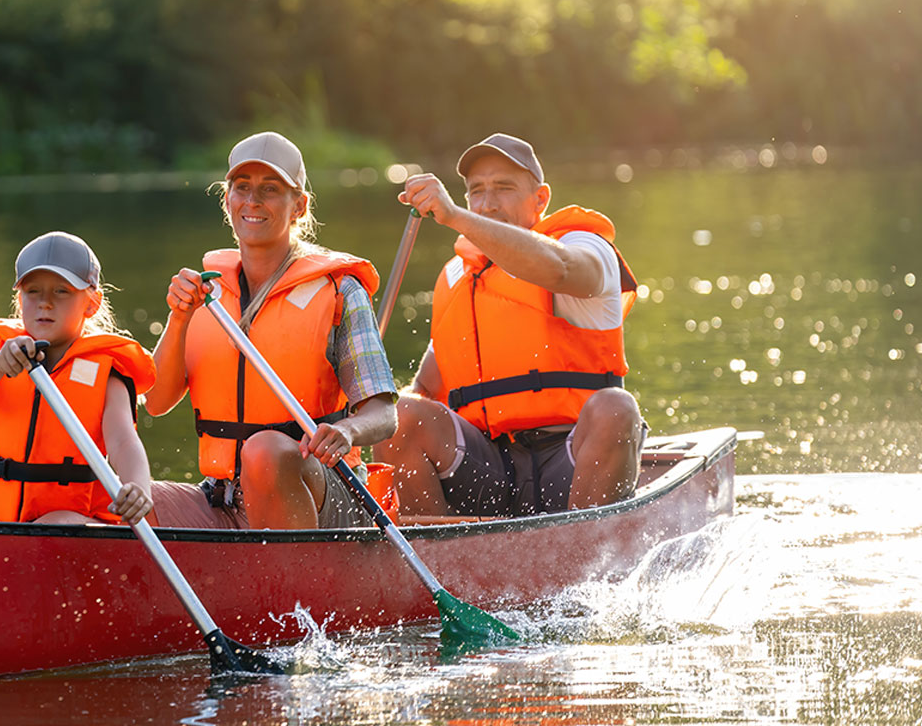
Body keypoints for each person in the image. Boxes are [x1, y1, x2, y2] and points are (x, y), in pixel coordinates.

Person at [375, 133, 644, 521]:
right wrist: (360, 426)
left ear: (540, 199)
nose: (487, 203)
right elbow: (423, 391)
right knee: (399, 414)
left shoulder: (586, 245)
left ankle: (587, 558)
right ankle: (432, 556)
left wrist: (455, 217)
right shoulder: (459, 278)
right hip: (488, 469)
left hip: (570, 460)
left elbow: (562, 269)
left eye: (503, 188)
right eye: (477, 191)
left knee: (616, 408)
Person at [147, 131, 398, 530]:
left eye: (270, 189)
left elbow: (383, 413)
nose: (253, 201)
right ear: (226, 200)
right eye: (242, 188)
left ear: (298, 206)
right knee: (128, 495)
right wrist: (178, 318)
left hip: (326, 493)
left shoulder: (339, 291)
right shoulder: (206, 294)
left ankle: (297, 589)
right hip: (223, 496)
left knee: (264, 451)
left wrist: (347, 430)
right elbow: (157, 401)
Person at [0, 231, 156, 525]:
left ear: (91, 304)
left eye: (61, 291)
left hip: (73, 518)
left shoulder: (108, 373)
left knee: (55, 523)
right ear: (19, 301)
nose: (45, 303)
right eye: (33, 291)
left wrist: (138, 486)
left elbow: (123, 440)